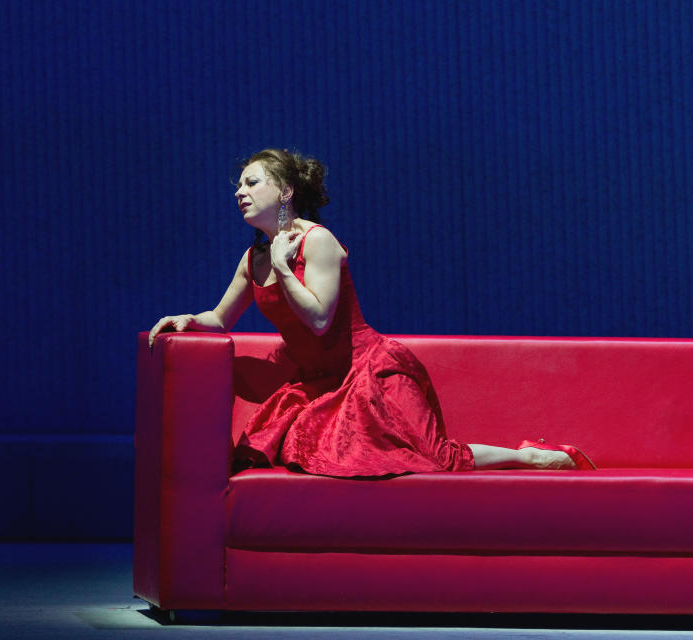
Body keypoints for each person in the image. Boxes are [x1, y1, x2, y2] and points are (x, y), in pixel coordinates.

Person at [148, 148, 595, 477]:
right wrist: (189, 319)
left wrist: (285, 268)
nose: (240, 193)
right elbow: (221, 318)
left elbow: (320, 318)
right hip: (319, 384)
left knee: (436, 458)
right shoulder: (254, 258)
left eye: (252, 183)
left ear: (285, 192)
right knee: (310, 453)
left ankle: (531, 456)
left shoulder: (317, 241)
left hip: (368, 372)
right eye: (239, 186)